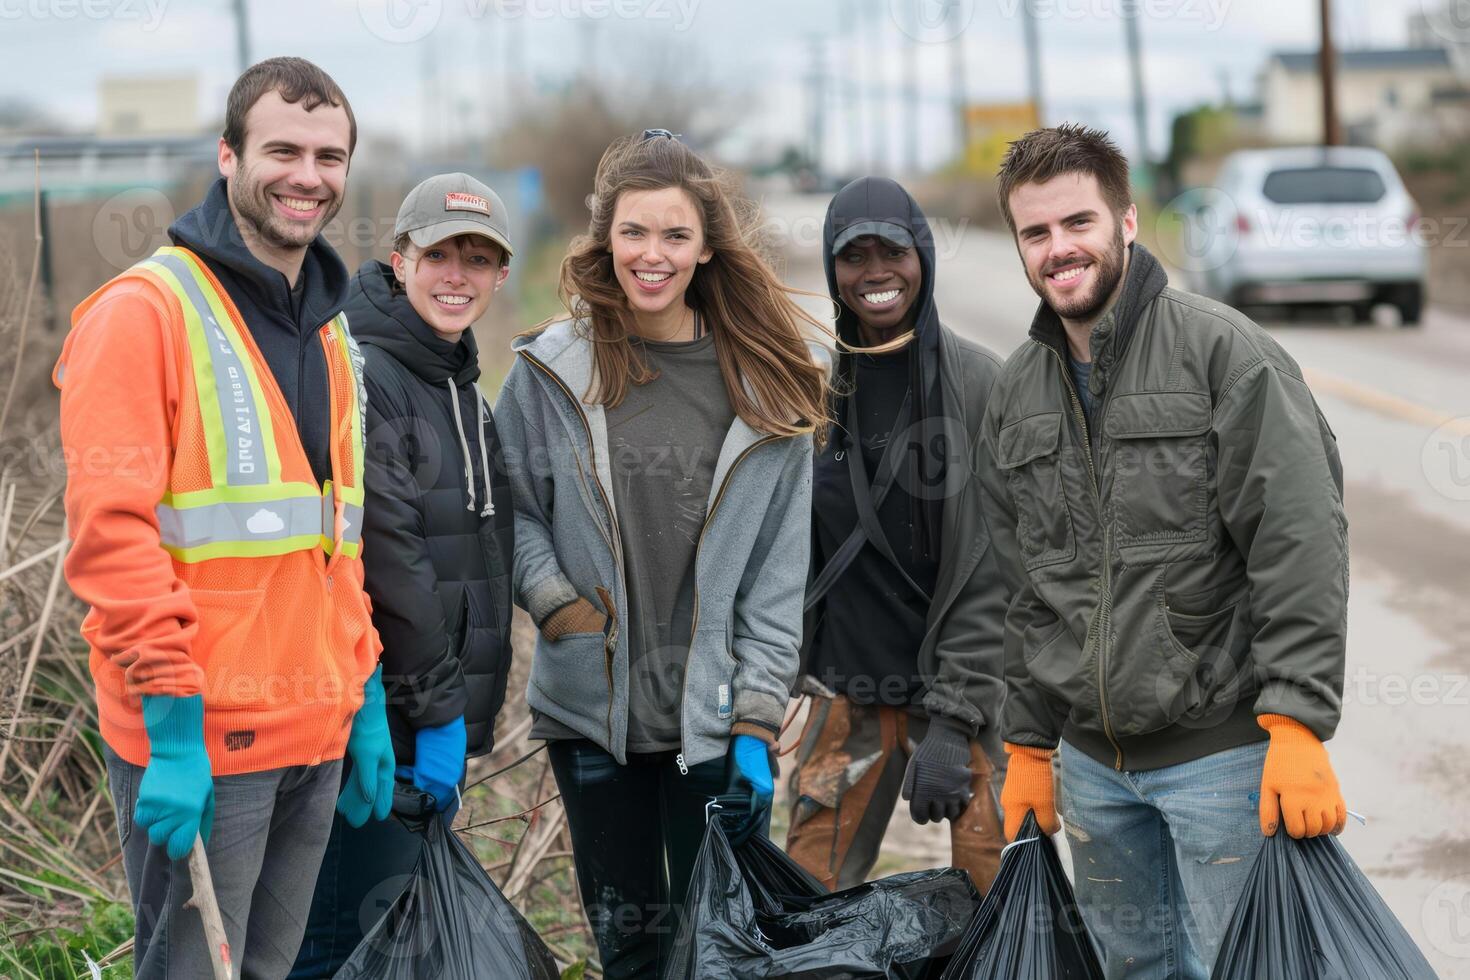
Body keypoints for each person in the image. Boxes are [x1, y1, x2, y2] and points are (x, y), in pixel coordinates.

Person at [980, 124, 1350, 978]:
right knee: (1131, 969)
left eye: (1078, 222)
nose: (1058, 248)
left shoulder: (1227, 355)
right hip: (1090, 774)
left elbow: (1298, 544)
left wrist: (1297, 721)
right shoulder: (1015, 393)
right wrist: (1029, 746)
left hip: (1218, 758)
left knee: (1241, 966)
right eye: (1035, 233)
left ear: (1129, 222)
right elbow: (1024, 587)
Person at [54, 58, 394, 978]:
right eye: (282, 149)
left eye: (330, 156)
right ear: (228, 155)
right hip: (202, 745)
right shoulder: (143, 314)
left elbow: (335, 540)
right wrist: (170, 727)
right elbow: (111, 539)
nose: (307, 175)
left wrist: (360, 694)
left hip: (313, 732)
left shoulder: (327, 326)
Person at [494, 130, 826, 978]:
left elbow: (774, 580)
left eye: (675, 236)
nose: (653, 254)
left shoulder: (767, 385)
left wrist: (755, 723)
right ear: (606, 238)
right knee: (630, 946)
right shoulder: (549, 372)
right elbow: (513, 511)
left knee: (713, 947)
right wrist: (558, 603)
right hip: (590, 720)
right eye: (635, 232)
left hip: (710, 723)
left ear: (706, 247)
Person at [289, 173, 516, 975]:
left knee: (380, 941)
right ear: (398, 258)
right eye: (440, 254)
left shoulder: (454, 379)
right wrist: (441, 713)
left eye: (479, 259)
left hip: (426, 718)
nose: (458, 275)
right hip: (378, 723)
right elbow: (392, 559)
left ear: (500, 275)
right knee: (341, 942)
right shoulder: (369, 374)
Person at [786, 177, 1008, 894]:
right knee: (810, 915)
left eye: (894, 251)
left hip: (966, 702)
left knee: (1001, 914)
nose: (875, 271)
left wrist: (954, 720)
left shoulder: (979, 386)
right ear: (832, 271)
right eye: (854, 257)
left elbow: (998, 567)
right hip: (844, 699)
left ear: (925, 258)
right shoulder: (810, 393)